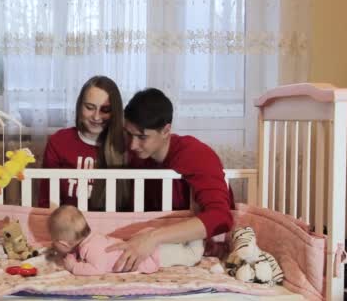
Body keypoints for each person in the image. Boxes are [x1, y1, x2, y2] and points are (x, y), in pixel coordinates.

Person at [106, 88, 234, 272]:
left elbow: (221, 218)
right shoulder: (140, 157)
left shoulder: (195, 154)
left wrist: (152, 238)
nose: (133, 145)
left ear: (166, 130)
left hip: (194, 247)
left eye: (142, 137)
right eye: (129, 134)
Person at [37, 76, 130, 211]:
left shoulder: (129, 144)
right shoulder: (59, 141)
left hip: (114, 225)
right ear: (80, 106)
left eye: (105, 110)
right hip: (67, 226)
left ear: (114, 112)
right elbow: (46, 199)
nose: (96, 117)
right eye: (90, 107)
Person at [48, 205, 204, 276]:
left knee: (191, 255)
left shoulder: (91, 249)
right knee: (178, 246)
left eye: (53, 240)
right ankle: (189, 234)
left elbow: (97, 269)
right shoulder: (94, 238)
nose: (52, 244)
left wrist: (73, 267)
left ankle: (199, 228)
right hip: (147, 242)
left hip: (151, 254)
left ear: (63, 243)